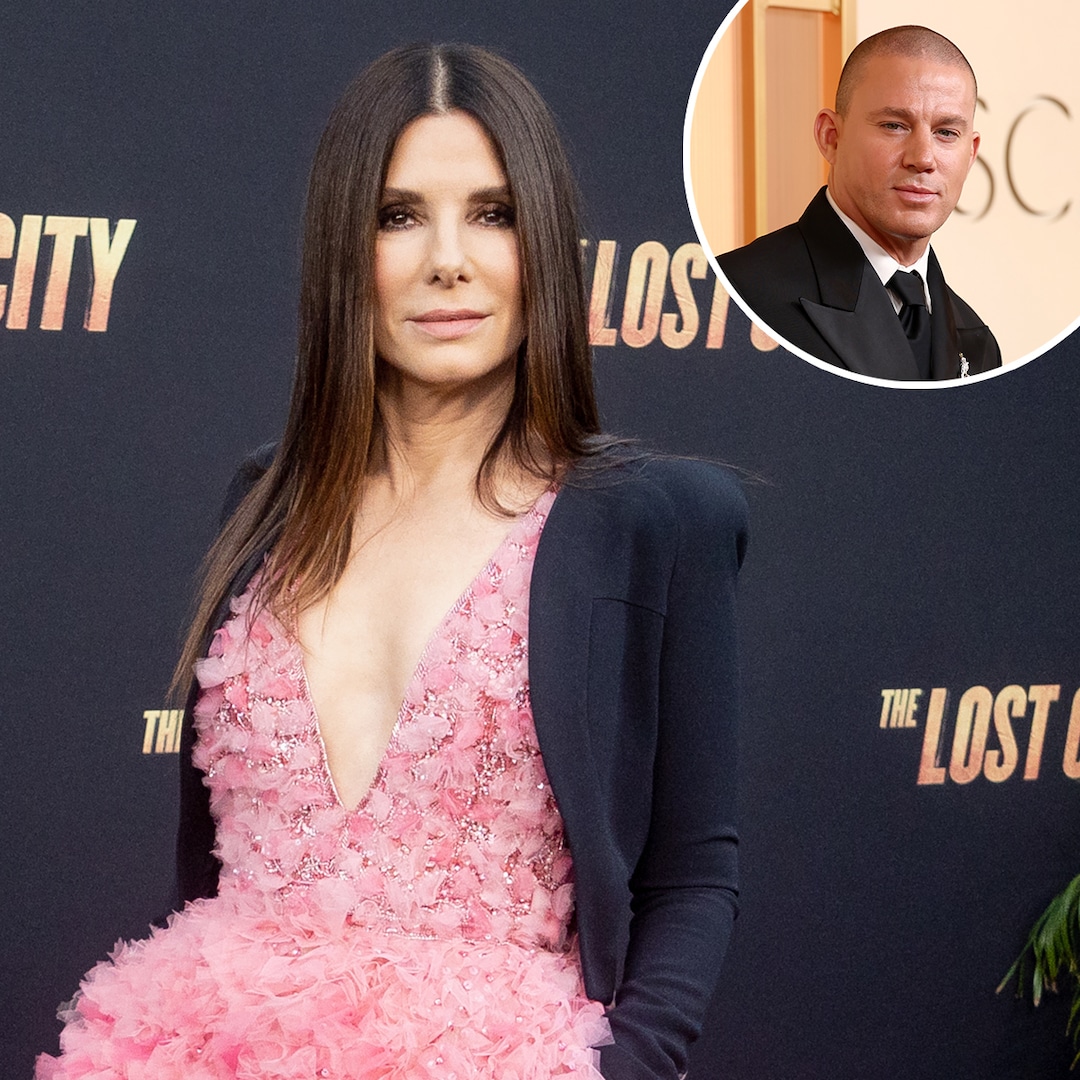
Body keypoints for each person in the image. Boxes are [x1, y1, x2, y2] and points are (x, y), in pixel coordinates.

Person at [36, 42, 746, 1080]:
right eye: (399, 215)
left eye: (493, 214)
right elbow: (209, 868)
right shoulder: (269, 499)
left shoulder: (653, 521)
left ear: (546, 244)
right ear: (343, 248)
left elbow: (691, 876)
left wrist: (617, 1069)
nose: (447, 260)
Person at [718, 25, 1001, 381]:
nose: (923, 158)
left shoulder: (978, 344)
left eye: (946, 132)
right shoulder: (733, 299)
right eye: (894, 125)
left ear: (971, 154)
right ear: (831, 138)